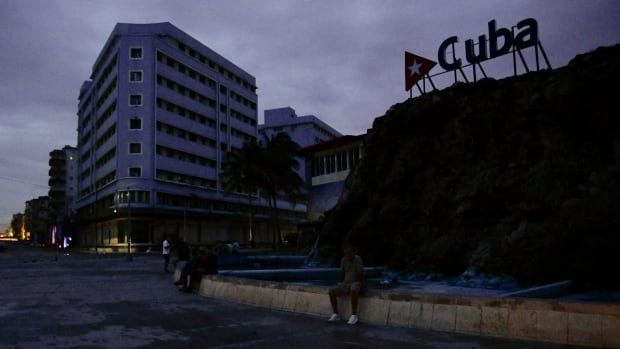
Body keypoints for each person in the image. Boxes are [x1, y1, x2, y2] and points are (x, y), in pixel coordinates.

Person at [328, 242, 365, 325]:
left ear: (353, 252)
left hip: (355, 282)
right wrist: (340, 283)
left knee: (354, 289)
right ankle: (335, 314)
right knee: (331, 291)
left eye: (349, 252)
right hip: (346, 283)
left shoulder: (358, 259)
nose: (348, 255)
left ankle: (354, 316)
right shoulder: (343, 259)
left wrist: (363, 285)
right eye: (346, 253)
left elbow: (361, 274)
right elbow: (342, 273)